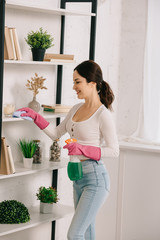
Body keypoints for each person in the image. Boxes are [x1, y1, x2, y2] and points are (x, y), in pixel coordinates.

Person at [18, 60, 119, 240]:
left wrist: (83, 148)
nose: (73, 87)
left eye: (77, 82)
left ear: (92, 83)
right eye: (73, 82)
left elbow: (114, 151)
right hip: (77, 177)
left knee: (75, 233)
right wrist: (35, 117)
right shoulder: (75, 109)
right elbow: (56, 133)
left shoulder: (103, 114)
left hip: (95, 179)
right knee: (86, 231)